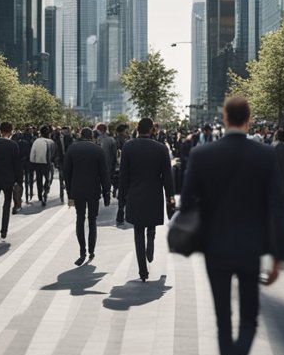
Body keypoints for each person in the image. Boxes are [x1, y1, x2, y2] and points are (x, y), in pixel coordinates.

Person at [178, 96, 284, 355]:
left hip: (215, 249)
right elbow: (277, 207)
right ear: (249, 119)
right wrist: (278, 256)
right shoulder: (264, 155)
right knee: (250, 320)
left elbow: (187, 204)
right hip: (251, 248)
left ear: (225, 117)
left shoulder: (202, 155)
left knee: (223, 321)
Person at [117, 118, 175, 282]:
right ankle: (151, 241)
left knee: (138, 231)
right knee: (151, 225)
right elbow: (167, 177)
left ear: (138, 129)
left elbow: (123, 176)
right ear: (151, 130)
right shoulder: (161, 148)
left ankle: (143, 271)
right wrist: (170, 198)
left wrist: (121, 199)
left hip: (135, 194)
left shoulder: (128, 147)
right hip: (154, 194)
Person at [63, 127, 109, 264]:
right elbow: (104, 173)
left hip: (77, 190)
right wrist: (106, 191)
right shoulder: (98, 150)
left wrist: (69, 192)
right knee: (92, 220)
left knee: (80, 218)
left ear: (80, 135)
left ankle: (82, 251)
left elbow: (67, 173)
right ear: (92, 137)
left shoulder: (72, 148)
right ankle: (91, 251)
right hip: (93, 189)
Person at [0, 122, 22, 241]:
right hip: (9, 178)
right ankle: (4, 231)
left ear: (0, 130)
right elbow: (17, 164)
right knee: (6, 204)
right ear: (10, 131)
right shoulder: (13, 145)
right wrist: (19, 180)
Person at [29, 126, 55, 206]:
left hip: (37, 163)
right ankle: (45, 192)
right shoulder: (51, 142)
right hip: (47, 163)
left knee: (39, 179)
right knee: (48, 179)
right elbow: (54, 154)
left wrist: (32, 161)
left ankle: (40, 195)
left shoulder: (36, 141)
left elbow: (32, 153)